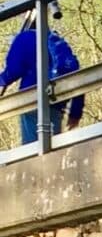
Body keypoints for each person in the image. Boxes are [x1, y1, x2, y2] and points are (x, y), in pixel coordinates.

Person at [0, 14, 84, 145]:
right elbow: (76, 75)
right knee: (52, 146)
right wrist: (75, 112)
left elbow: (14, 70)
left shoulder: (25, 38)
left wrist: (2, 80)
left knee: (33, 148)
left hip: (32, 100)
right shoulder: (56, 40)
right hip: (56, 102)